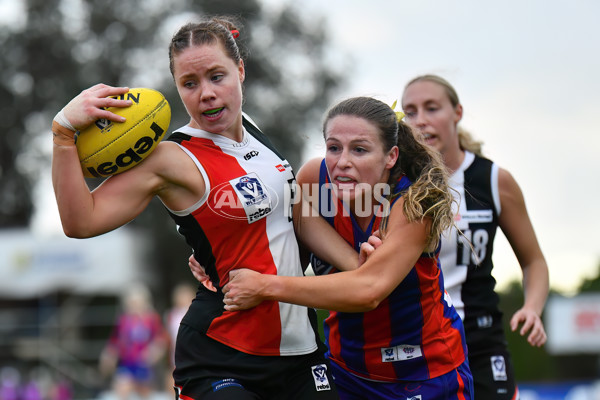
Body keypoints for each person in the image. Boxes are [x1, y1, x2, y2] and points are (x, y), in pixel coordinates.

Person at [51, 15, 361, 400]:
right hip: (222, 354)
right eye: (190, 83)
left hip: (301, 352)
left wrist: (362, 270)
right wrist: (64, 135)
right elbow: (80, 222)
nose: (207, 93)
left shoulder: (259, 139)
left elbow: (298, 221)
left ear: (240, 71)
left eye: (217, 76)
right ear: (177, 89)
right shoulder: (170, 158)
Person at [218, 96, 474, 399]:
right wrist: (213, 259)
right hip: (346, 374)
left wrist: (264, 286)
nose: (342, 162)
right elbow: (276, 247)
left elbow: (368, 291)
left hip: (426, 375)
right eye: (334, 147)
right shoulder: (314, 180)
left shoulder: (413, 204)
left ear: (390, 157)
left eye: (360, 150)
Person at [401, 74, 549, 399]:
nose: (422, 120)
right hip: (414, 341)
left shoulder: (493, 180)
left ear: (457, 112)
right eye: (410, 112)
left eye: (432, 107)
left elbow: (534, 261)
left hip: (479, 342)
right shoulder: (394, 183)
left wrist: (533, 308)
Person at [99, 283, 168, 400]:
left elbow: (161, 339)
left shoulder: (151, 319)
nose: (133, 305)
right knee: (122, 388)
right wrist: (108, 355)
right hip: (127, 363)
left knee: (144, 392)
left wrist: (153, 352)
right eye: (131, 302)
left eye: (136, 302)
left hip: (144, 364)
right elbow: (114, 341)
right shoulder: (123, 320)